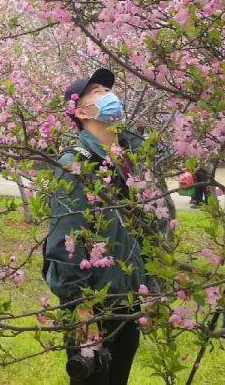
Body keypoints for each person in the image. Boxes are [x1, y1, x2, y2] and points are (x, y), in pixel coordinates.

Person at [41, 68, 164, 385]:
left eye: (107, 89)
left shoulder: (130, 161)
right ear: (80, 111)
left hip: (126, 302)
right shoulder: (76, 164)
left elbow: (143, 233)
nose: (109, 95)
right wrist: (81, 307)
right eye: (96, 91)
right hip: (94, 305)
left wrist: (150, 290)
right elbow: (65, 242)